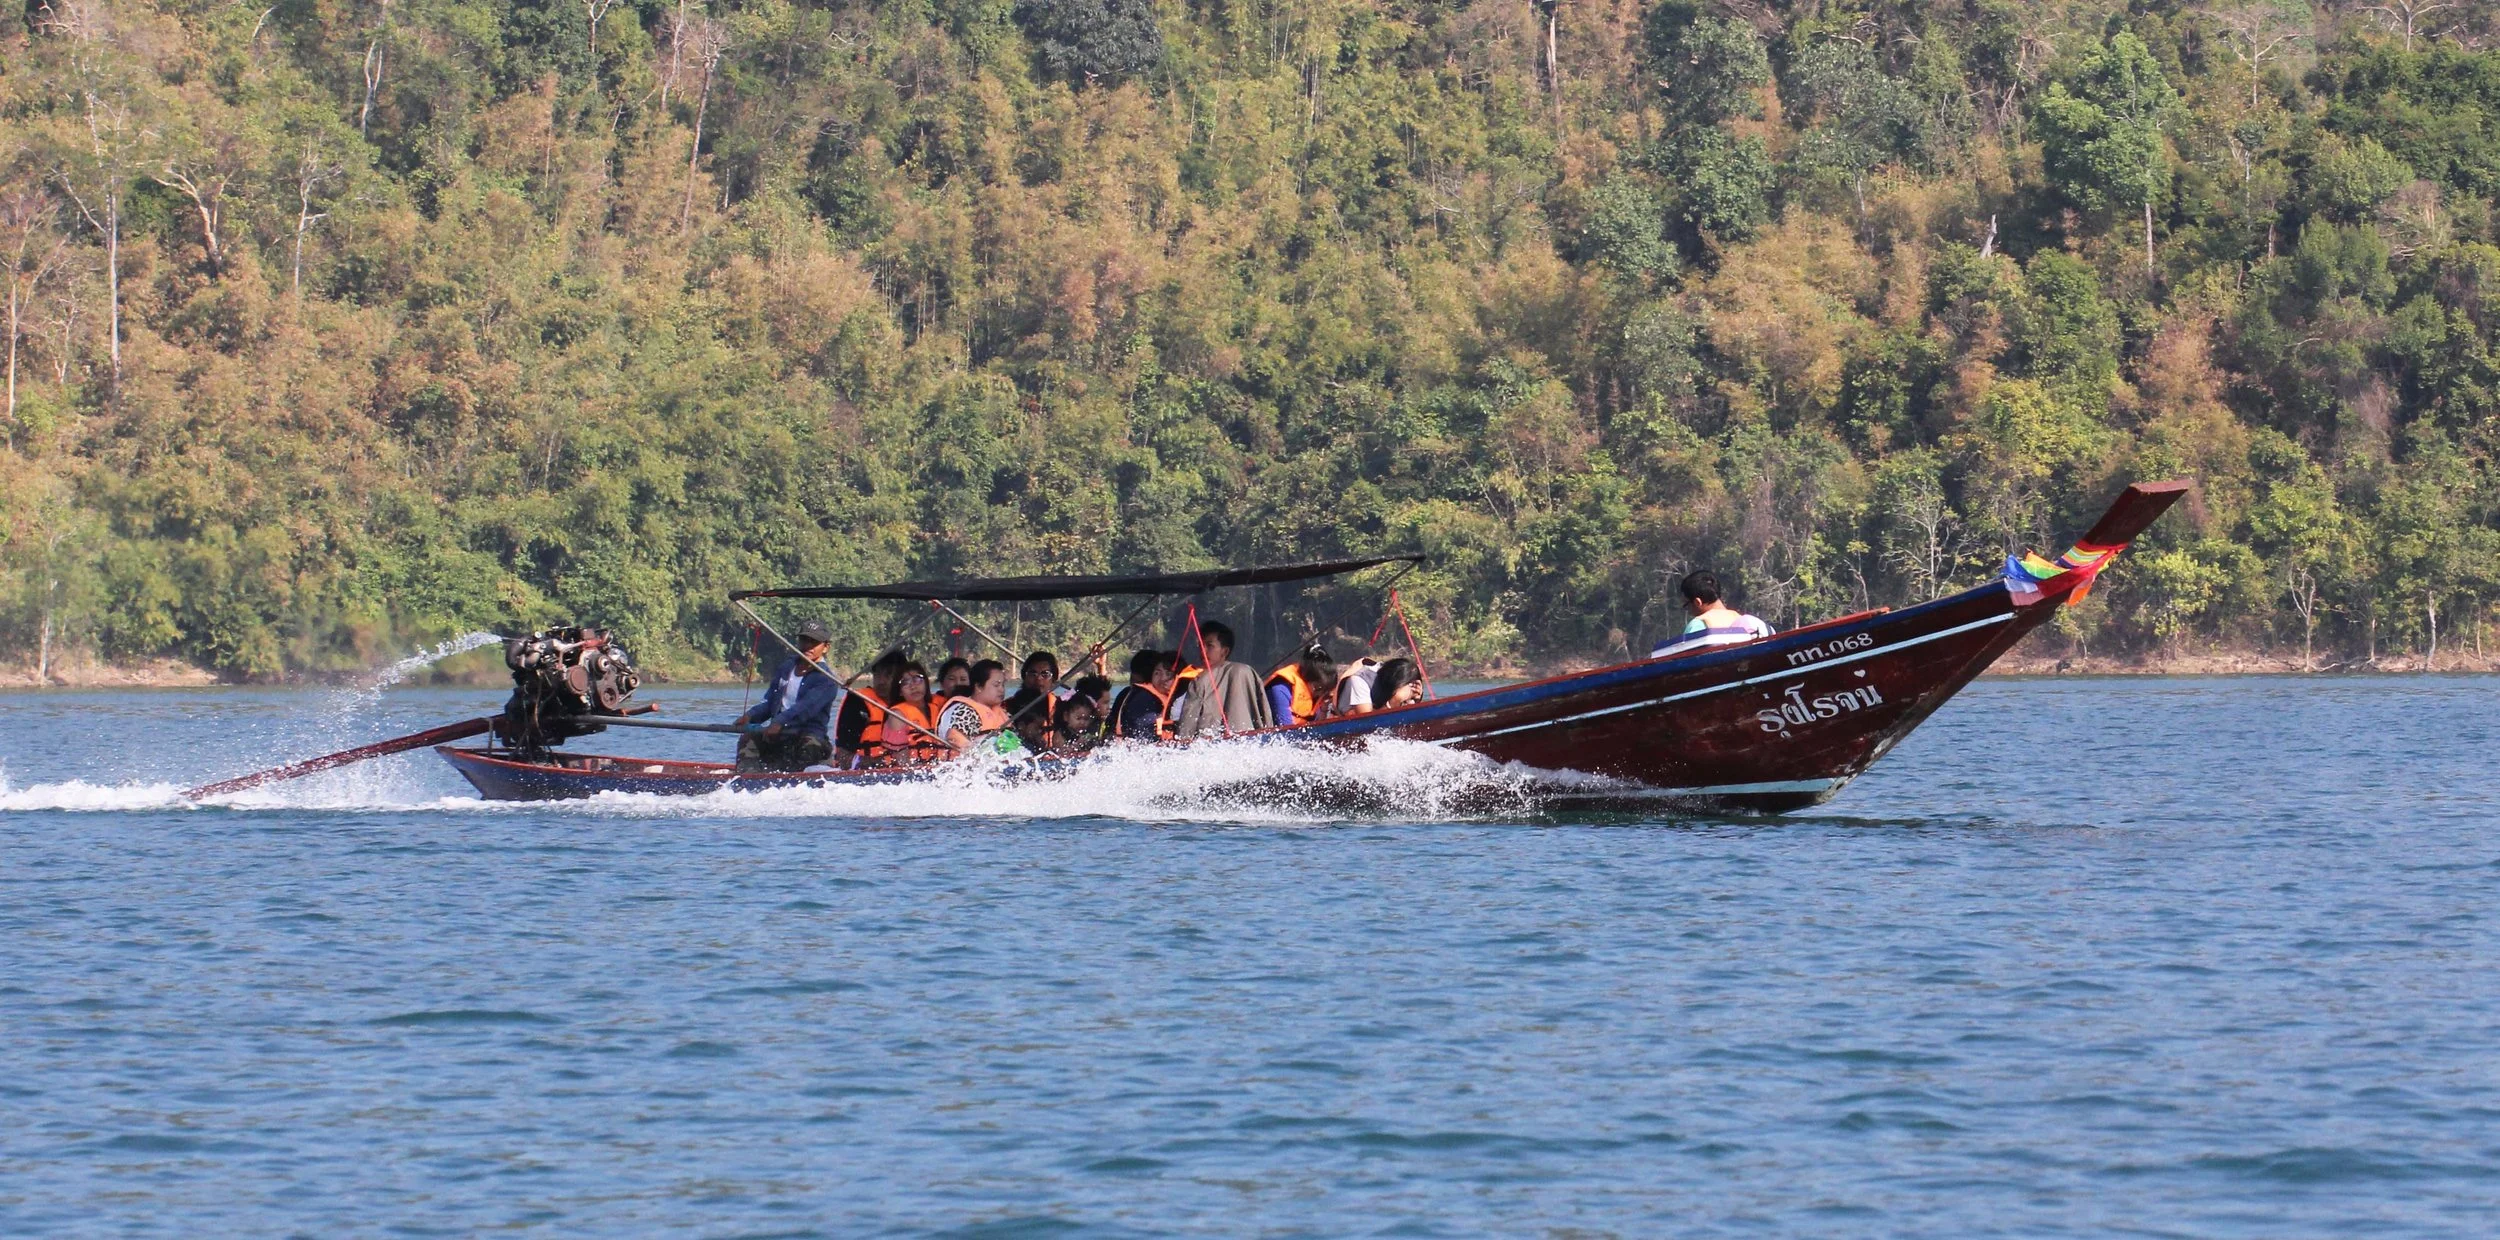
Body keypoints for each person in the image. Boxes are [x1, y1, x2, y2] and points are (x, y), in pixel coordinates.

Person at [734, 620, 843, 772]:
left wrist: (779, 722)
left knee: (810, 745)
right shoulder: (786, 667)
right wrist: (751, 716)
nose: (808, 646)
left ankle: (795, 779)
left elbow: (805, 708)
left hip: (808, 736)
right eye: (805, 640)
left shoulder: (826, 680)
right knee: (749, 737)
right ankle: (747, 779)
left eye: (814, 642)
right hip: (778, 733)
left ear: (825, 647)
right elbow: (771, 702)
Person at [1174, 622, 1273, 738]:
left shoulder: (1201, 680)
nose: (1203, 651)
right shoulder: (1249, 672)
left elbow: (1186, 729)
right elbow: (1266, 718)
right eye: (1201, 646)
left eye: (1209, 646)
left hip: (1211, 747)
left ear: (1225, 651)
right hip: (1250, 743)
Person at [1651, 570, 1774, 658]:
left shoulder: (1699, 623)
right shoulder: (1739, 618)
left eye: (1686, 605)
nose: (1688, 610)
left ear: (1697, 602)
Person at [833, 648, 908, 768]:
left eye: (889, 674)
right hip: (863, 775)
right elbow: (843, 756)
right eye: (877, 674)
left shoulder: (912, 703)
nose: (881, 681)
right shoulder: (857, 702)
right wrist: (875, 763)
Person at [937, 659, 1021, 757]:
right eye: (996, 685)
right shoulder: (966, 711)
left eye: (1003, 685)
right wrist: (983, 753)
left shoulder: (1004, 713)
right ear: (978, 687)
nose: (1001, 689)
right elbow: (953, 737)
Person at [878, 661, 947, 764]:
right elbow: (900, 760)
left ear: (926, 683)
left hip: (936, 770)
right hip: (906, 774)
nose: (913, 686)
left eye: (917, 679)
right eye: (905, 683)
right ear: (900, 691)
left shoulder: (938, 709)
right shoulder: (898, 715)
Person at [1265, 643, 1339, 727]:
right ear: (1306, 678)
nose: (1320, 694)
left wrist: (1324, 708)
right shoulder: (1280, 689)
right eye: (1319, 688)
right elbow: (1285, 731)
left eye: (1326, 691)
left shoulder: (1319, 696)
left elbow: (1320, 727)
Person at [1110, 649, 1176, 740]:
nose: (1165, 679)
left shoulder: (1128, 693)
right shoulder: (1145, 699)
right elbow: (1143, 738)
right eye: (1158, 673)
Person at [1005, 651, 1064, 731]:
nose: (1038, 678)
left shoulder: (1063, 709)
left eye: (1045, 674)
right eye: (1033, 673)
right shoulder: (1007, 707)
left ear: (1053, 680)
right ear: (1024, 677)